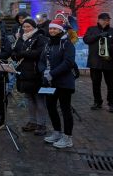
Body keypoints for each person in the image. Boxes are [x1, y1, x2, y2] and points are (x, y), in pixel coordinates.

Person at [38, 19, 76, 149]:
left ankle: (67, 137)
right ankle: (57, 132)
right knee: (51, 107)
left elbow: (68, 62)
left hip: (64, 82)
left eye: (55, 29)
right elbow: (42, 60)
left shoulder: (67, 43)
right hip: (49, 82)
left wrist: (52, 73)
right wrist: (43, 71)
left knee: (65, 109)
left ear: (60, 30)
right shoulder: (48, 43)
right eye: (50, 29)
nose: (52, 31)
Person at [13, 18, 48, 136]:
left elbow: (39, 53)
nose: (25, 29)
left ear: (34, 27)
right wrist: (15, 54)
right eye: (24, 27)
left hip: (35, 73)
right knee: (29, 98)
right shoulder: (21, 38)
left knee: (39, 99)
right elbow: (15, 52)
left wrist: (22, 54)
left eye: (28, 27)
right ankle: (32, 121)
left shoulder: (40, 38)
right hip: (24, 73)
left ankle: (41, 124)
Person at [83, 13, 113, 113]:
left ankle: (112, 104)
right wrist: (98, 36)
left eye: (108, 20)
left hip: (108, 61)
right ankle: (97, 102)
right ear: (99, 20)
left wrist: (110, 47)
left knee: (110, 84)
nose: (106, 21)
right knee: (95, 84)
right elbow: (86, 40)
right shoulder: (91, 29)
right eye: (104, 20)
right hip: (95, 62)